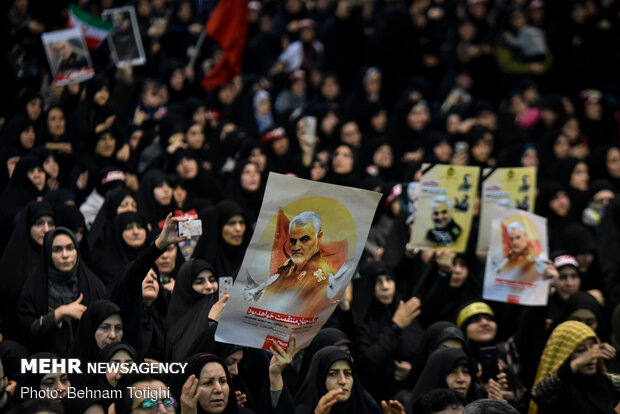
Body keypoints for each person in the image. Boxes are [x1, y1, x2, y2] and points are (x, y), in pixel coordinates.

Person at [16, 227, 106, 355]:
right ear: (47, 253)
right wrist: (60, 313)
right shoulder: (34, 288)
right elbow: (26, 330)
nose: (65, 255)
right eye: (57, 250)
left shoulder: (94, 286)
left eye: (70, 248)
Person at [244, 211, 347, 317]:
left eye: (305, 239)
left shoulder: (325, 280)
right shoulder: (288, 266)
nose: (296, 247)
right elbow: (265, 298)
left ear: (319, 237)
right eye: (293, 241)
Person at [529, 321, 620, 414]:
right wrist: (577, 363)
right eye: (581, 350)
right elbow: (539, 395)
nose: (591, 356)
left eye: (593, 348)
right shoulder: (561, 388)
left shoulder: (601, 381)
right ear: (565, 354)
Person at [295, 345, 404, 414]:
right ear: (320, 378)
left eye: (348, 373)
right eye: (333, 374)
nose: (342, 381)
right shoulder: (302, 410)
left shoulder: (367, 408)